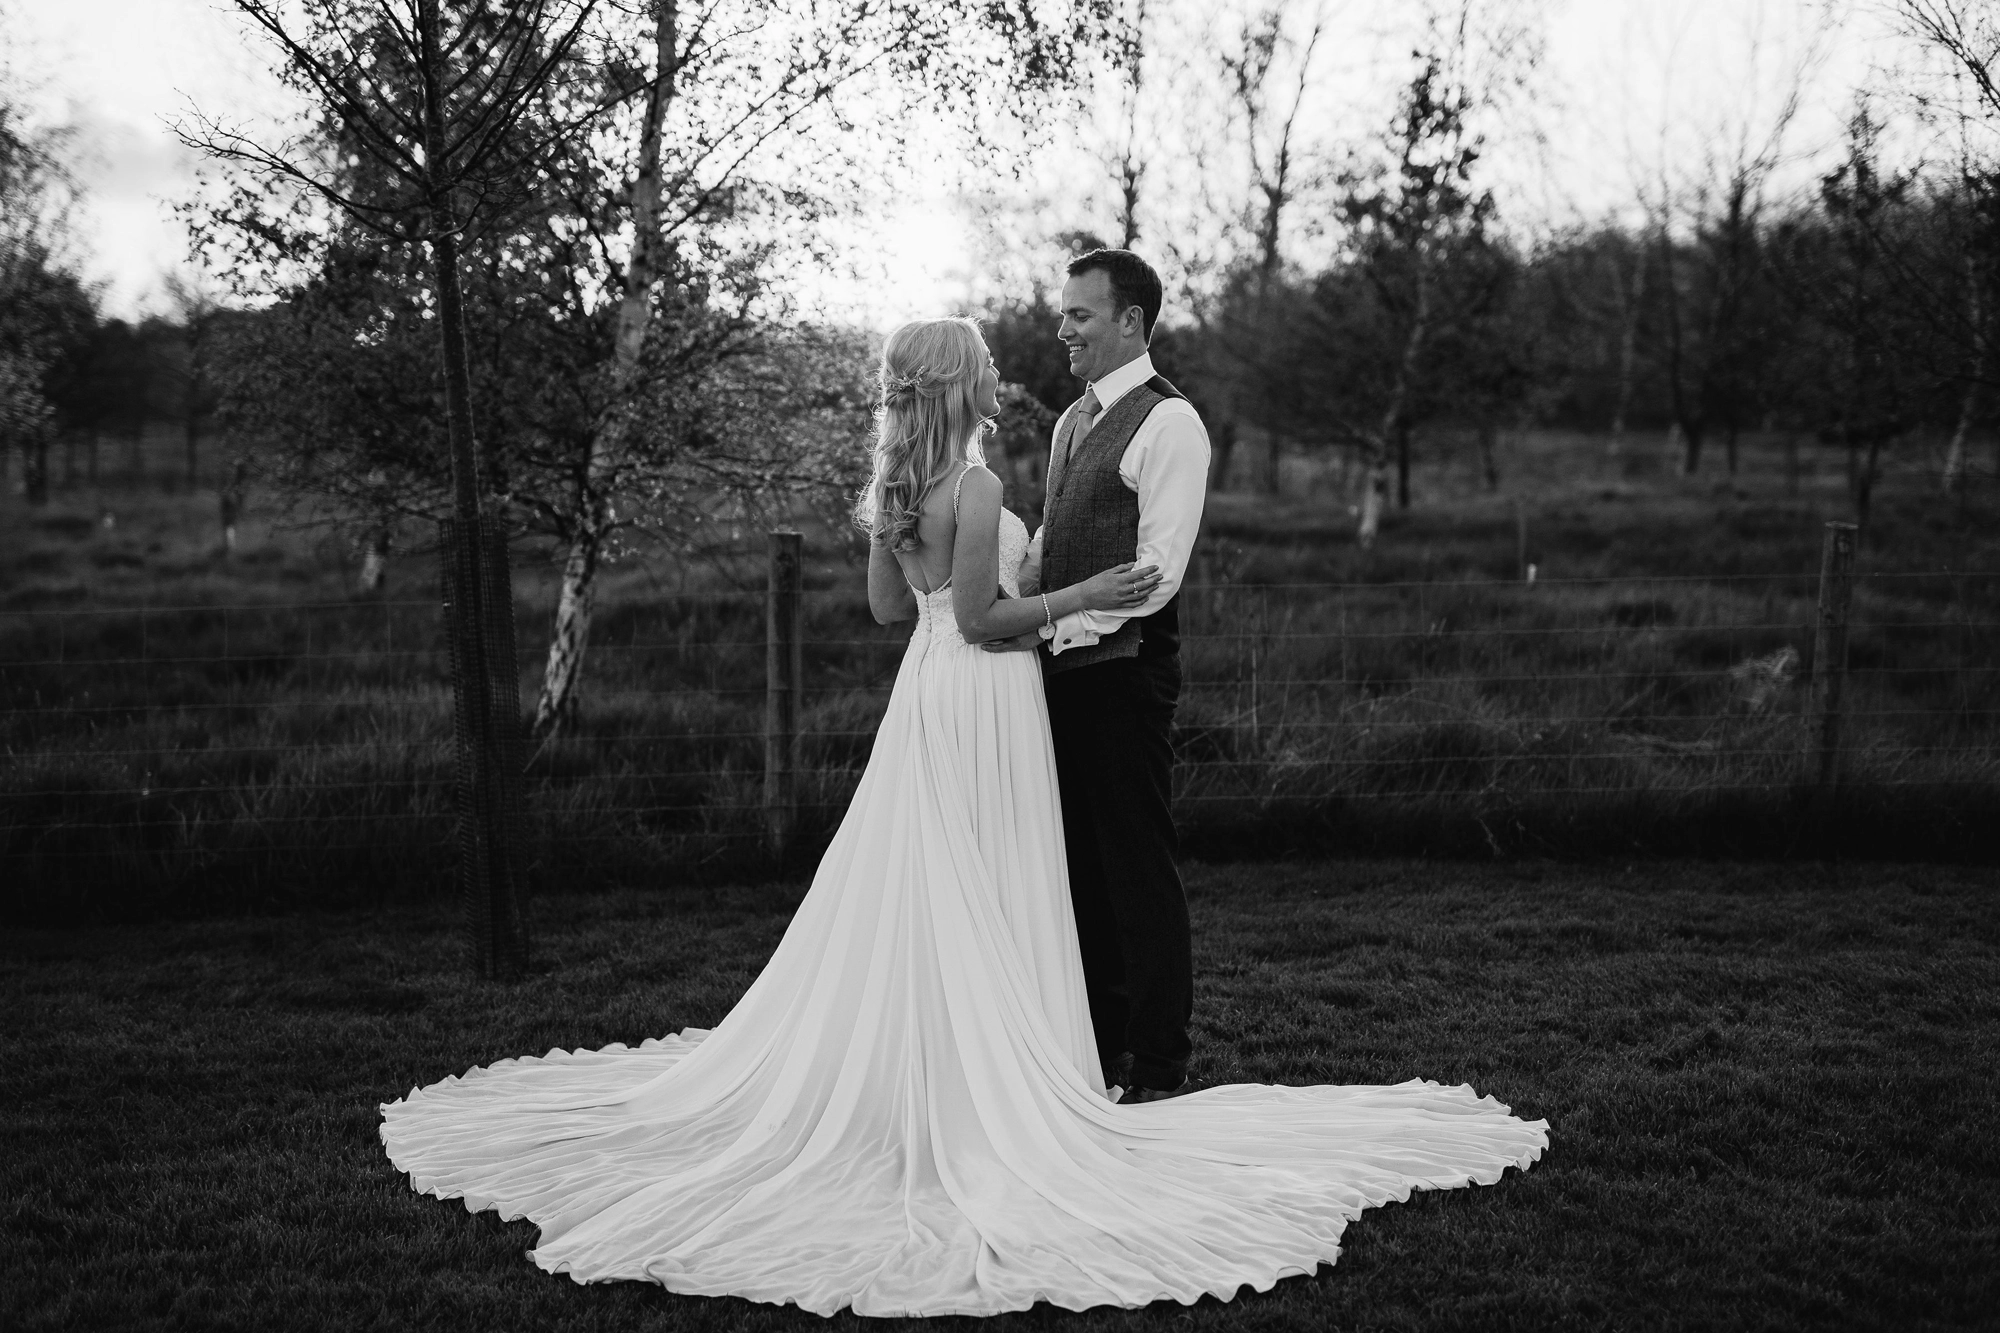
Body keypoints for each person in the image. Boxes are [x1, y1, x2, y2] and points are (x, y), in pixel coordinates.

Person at [379, 316, 1547, 1320]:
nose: (1002, 375)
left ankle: (929, 1069)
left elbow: (902, 609)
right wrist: (1084, 593)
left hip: (921, 698)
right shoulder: (980, 484)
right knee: (983, 875)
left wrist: (951, 578)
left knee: (927, 884)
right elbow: (988, 620)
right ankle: (995, 1085)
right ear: (963, 385)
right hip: (986, 694)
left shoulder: (898, 490)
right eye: (984, 366)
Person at [992, 248, 1206, 1102]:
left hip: (1125, 674)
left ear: (1129, 320)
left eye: (1080, 314)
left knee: (1136, 867)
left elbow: (1158, 571)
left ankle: (1160, 1063)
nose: (1063, 328)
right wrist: (1018, 615)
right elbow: (1054, 541)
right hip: (1061, 672)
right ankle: (1100, 1050)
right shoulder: (1071, 421)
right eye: (1062, 313)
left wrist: (1056, 622)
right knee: (1076, 865)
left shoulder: (1169, 423)